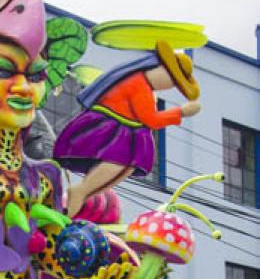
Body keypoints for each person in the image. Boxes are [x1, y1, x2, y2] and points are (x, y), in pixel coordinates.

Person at [54, 41, 201, 216]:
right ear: (160, 67)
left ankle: (81, 194)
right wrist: (181, 112)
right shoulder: (138, 84)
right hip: (111, 129)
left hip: (125, 131)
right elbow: (151, 120)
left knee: (122, 169)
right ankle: (80, 192)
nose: (170, 85)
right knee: (116, 162)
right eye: (172, 79)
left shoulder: (145, 87)